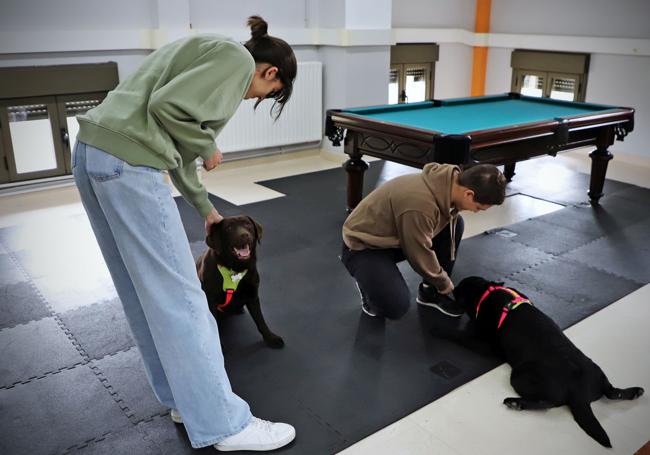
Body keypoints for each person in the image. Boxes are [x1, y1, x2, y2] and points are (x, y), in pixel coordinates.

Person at [72, 16, 297, 452]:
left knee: (143, 293)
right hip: (129, 165)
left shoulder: (209, 51)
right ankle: (224, 424)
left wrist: (205, 208)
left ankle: (186, 400)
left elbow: (169, 136)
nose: (258, 97)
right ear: (272, 73)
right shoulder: (234, 60)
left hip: (94, 156)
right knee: (183, 298)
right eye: (270, 92)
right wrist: (208, 145)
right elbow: (168, 110)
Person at [340, 162, 507, 319]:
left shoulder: (450, 183)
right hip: (364, 245)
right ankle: (367, 285)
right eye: (478, 208)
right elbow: (418, 252)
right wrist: (443, 282)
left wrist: (437, 282)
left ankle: (429, 293)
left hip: (395, 236)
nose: (476, 212)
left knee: (455, 224)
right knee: (395, 307)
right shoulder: (420, 205)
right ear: (469, 193)